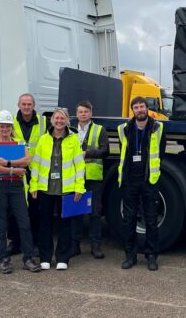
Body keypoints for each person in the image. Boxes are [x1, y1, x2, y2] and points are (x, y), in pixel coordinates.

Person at [0, 110, 41, 274]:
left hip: (17, 187)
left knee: (24, 223)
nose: (5, 129)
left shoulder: (19, 143)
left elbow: (27, 160)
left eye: (8, 126)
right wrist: (13, 170)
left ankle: (28, 258)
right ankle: (3, 260)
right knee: (1, 225)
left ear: (12, 128)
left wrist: (8, 162)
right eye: (2, 126)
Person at [30, 107, 85, 270]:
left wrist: (79, 187)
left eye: (62, 118)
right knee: (45, 223)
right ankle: (45, 257)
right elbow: (36, 164)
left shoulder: (74, 140)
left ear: (67, 121)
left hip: (66, 188)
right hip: (46, 188)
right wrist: (33, 185)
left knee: (65, 224)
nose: (59, 121)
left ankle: (63, 258)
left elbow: (79, 165)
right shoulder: (43, 139)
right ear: (52, 120)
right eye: (57, 118)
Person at [118, 96, 166, 271]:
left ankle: (151, 256)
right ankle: (130, 256)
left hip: (149, 180)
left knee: (151, 219)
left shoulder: (157, 127)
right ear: (132, 110)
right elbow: (124, 152)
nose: (139, 110)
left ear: (147, 108)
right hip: (130, 180)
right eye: (136, 107)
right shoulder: (124, 129)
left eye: (142, 106)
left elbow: (161, 151)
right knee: (129, 219)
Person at [6, 93, 46, 257]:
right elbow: (5, 142)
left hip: (36, 171)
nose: (27, 107)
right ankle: (15, 242)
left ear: (34, 106)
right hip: (16, 170)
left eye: (29, 104)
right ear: (19, 105)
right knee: (13, 208)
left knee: (35, 208)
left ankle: (34, 242)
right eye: (24, 104)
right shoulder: (11, 122)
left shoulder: (44, 122)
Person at [71, 100, 110, 259]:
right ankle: (75, 246)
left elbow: (105, 151)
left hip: (93, 177)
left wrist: (87, 153)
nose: (83, 114)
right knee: (75, 211)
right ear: (76, 114)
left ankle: (95, 246)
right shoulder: (70, 130)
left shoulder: (100, 130)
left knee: (94, 212)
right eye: (80, 112)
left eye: (86, 111)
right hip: (74, 177)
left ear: (91, 113)